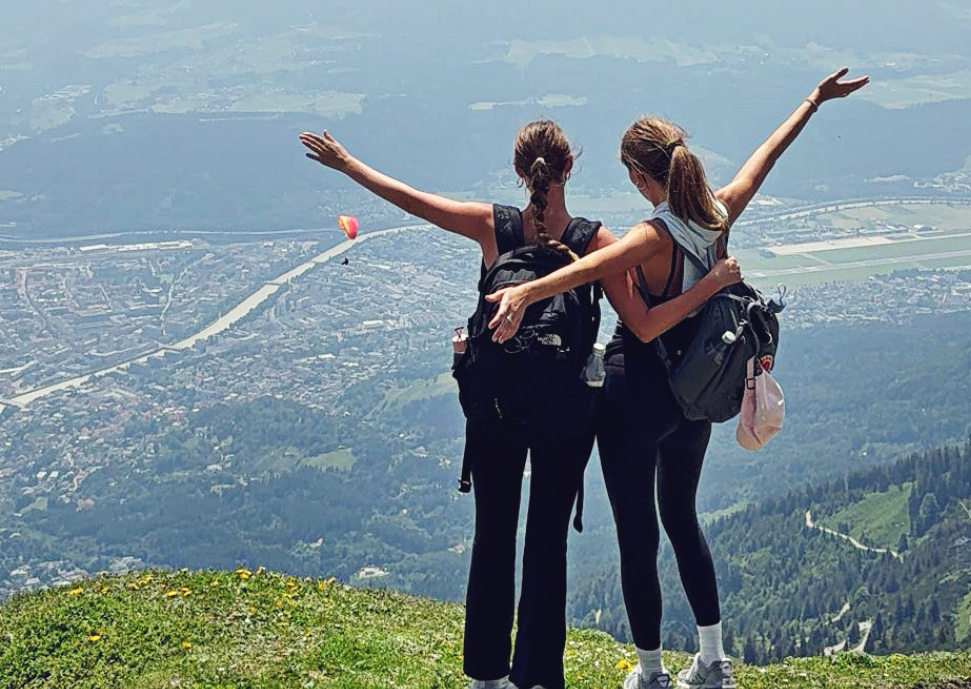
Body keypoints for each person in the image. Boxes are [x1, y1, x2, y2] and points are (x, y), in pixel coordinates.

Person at [299, 120, 725, 689]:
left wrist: (348, 164)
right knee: (547, 544)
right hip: (566, 415)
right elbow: (641, 322)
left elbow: (413, 202)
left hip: (494, 408)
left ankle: (486, 678)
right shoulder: (596, 241)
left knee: (493, 536)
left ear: (520, 173)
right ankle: (539, 677)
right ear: (569, 167)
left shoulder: (491, 226)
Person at [485, 69, 869, 689]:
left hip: (636, 399)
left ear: (641, 177)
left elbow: (586, 275)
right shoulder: (719, 214)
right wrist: (812, 101)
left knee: (638, 537)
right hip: (696, 397)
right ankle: (714, 660)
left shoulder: (652, 235)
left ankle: (652, 673)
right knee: (682, 520)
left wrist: (524, 291)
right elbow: (765, 156)